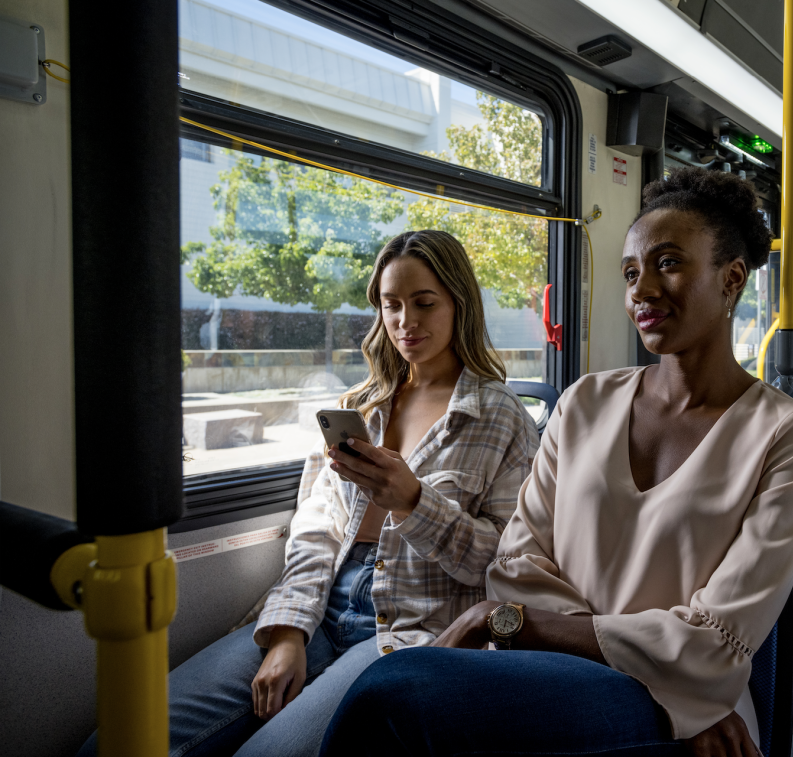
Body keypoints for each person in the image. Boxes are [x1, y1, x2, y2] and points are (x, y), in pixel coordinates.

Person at [321, 167, 793, 757]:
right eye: (630, 273)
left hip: (676, 704)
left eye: (668, 263)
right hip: (554, 670)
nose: (641, 290)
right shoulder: (585, 402)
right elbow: (515, 566)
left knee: (392, 694)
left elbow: (713, 644)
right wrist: (593, 634)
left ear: (732, 279)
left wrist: (515, 621)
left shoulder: (792, 439)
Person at [80, 231, 538, 757]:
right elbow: (316, 527)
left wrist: (413, 501)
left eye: (424, 303)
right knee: (117, 741)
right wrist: (288, 631)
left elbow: (506, 567)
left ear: (460, 303)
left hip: (409, 629)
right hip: (322, 602)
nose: (405, 322)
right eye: (391, 305)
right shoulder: (362, 407)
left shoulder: (504, 420)